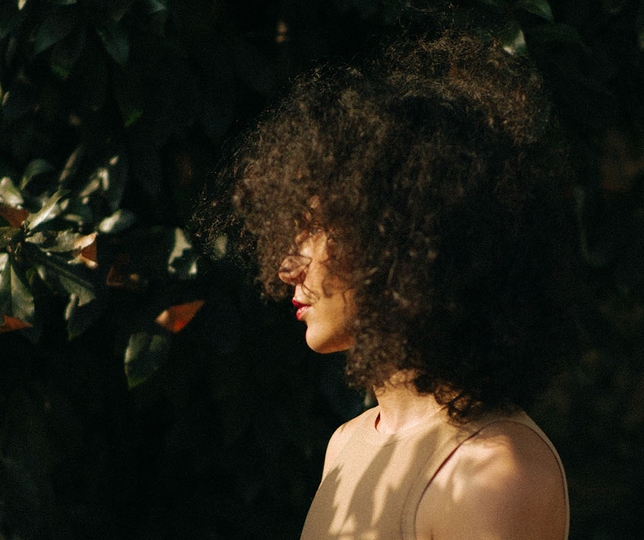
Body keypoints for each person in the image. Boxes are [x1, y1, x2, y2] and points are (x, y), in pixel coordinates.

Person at [224, 29, 578, 540]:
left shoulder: (493, 473)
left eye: (312, 232)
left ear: (401, 244)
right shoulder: (346, 445)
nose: (286, 268)